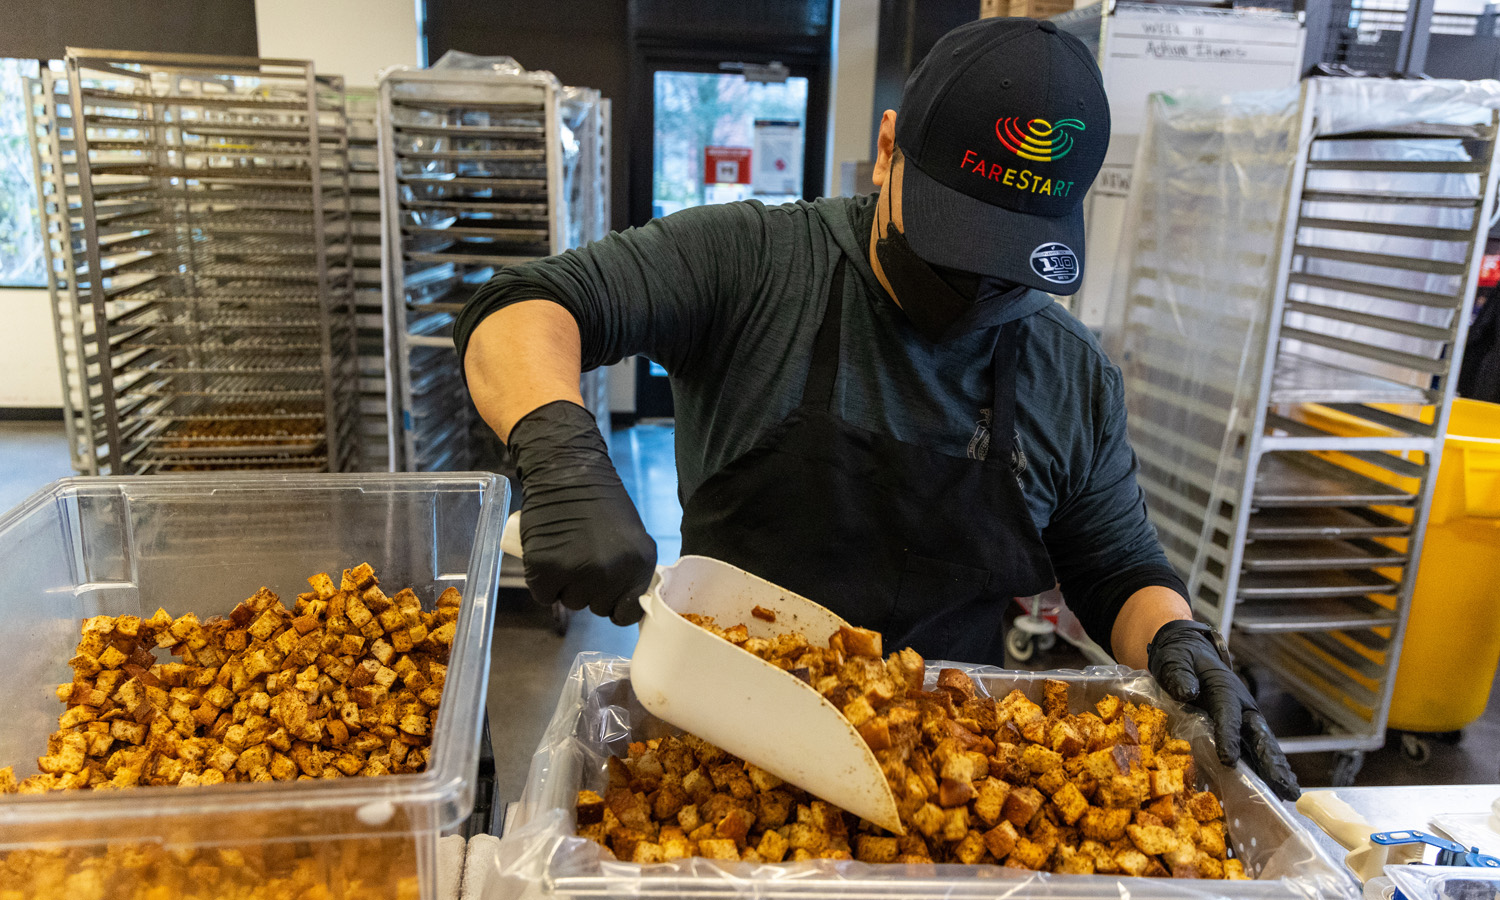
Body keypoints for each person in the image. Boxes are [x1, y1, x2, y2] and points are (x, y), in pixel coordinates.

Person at [455, 17, 1299, 800]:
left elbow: (1118, 571)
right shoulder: (755, 264)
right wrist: (560, 451)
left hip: (945, 772)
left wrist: (1179, 641)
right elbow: (524, 306)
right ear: (888, 150)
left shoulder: (1070, 376)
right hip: (720, 740)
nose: (975, 286)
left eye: (1008, 264)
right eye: (956, 243)